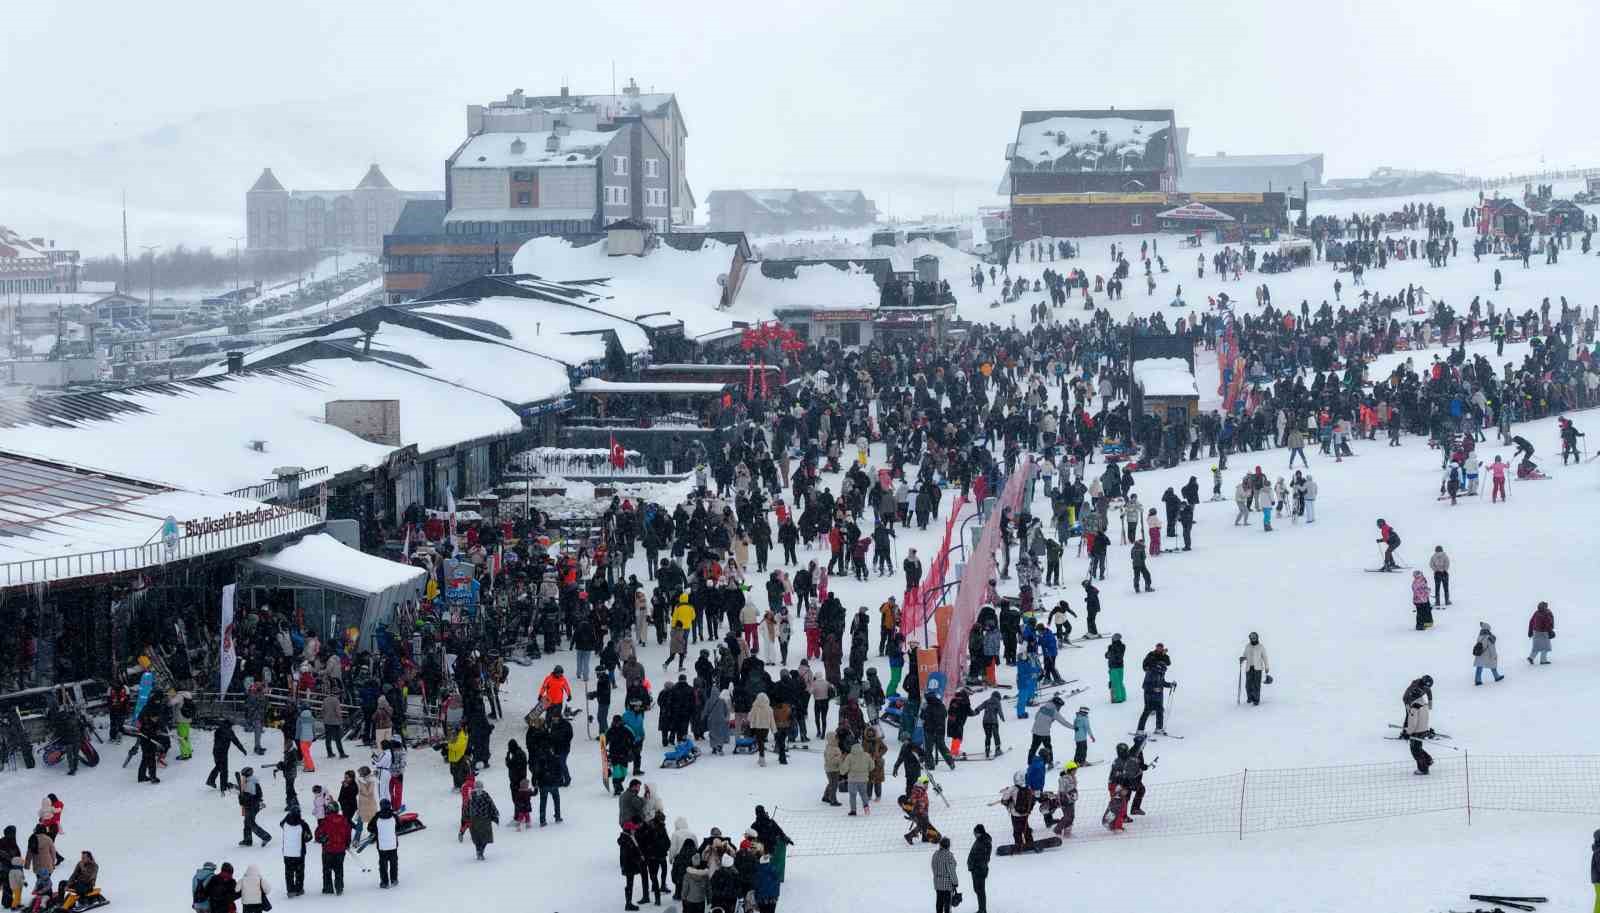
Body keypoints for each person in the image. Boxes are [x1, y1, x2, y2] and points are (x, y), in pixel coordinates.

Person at [313, 804, 350, 895]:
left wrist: (322, 839)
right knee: (339, 869)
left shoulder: (325, 821)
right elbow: (348, 833)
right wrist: (347, 844)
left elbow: (318, 834)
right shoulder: (344, 820)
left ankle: (328, 888)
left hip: (328, 850)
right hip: (340, 850)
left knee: (327, 870)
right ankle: (339, 887)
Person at [207, 720, 246, 794]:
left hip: (216, 751)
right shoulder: (229, 732)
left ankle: (211, 780)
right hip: (222, 753)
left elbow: (217, 741)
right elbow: (236, 742)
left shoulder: (219, 730)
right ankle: (223, 786)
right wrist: (243, 749)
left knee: (219, 767)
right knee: (224, 770)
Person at [278, 808, 311, 897]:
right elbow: (309, 837)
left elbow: (281, 823)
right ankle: (299, 889)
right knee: (299, 872)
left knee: (289, 873)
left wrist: (288, 816)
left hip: (287, 852)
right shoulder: (303, 824)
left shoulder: (284, 823)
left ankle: (290, 890)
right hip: (299, 852)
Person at [1027, 695, 1070, 763]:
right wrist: (1073, 727)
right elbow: (1063, 722)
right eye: (1060, 706)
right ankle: (1050, 762)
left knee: (1033, 748)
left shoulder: (1043, 707)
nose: (1060, 708)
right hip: (1045, 733)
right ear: (1057, 704)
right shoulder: (1054, 712)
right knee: (1048, 747)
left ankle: (1029, 763)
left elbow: (1036, 717)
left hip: (1035, 731)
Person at [236, 768, 272, 847]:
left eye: (243, 775)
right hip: (253, 805)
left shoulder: (250, 783)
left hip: (252, 806)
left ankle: (266, 837)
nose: (242, 777)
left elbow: (248, 796)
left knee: (250, 823)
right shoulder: (251, 781)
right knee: (247, 822)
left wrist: (242, 797)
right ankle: (247, 840)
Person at [466, 783, 499, 860]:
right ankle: (479, 851)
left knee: (485, 837)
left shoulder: (485, 795)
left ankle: (480, 851)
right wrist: (467, 816)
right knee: (478, 838)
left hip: (485, 819)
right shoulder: (471, 796)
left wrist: (494, 814)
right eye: (477, 787)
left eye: (480, 787)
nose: (479, 789)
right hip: (475, 820)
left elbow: (491, 805)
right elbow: (467, 807)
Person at [373, 798, 399, 888]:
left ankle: (384, 882)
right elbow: (399, 826)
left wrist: (377, 831)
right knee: (393, 863)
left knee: (383, 864)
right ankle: (394, 879)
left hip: (382, 845)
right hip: (392, 844)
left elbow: (370, 827)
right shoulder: (394, 816)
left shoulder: (377, 816)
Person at [1403, 699, 1433, 775]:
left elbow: (1413, 723)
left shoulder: (1414, 707)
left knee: (1415, 750)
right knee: (1418, 748)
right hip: (1423, 729)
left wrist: (1408, 732)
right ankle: (1428, 760)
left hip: (1416, 732)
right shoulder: (1424, 704)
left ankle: (1423, 769)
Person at [966, 824, 991, 913]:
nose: (974, 834)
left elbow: (983, 858)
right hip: (976, 869)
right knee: (977, 890)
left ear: (980, 833)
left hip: (979, 870)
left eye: (975, 833)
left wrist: (975, 866)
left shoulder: (984, 842)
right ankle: (981, 908)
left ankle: (982, 910)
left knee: (980, 891)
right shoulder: (980, 840)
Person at [931, 836, 959, 913]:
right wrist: (955, 882)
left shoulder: (935, 854)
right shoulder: (949, 855)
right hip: (947, 885)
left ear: (940, 845)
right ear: (948, 846)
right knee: (947, 904)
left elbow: (933, 866)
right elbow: (951, 871)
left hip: (937, 883)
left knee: (939, 902)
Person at [1240, 633, 1269, 705]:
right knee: (1248, 685)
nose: (1253, 639)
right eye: (1251, 637)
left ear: (1257, 638)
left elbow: (1265, 657)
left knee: (1256, 685)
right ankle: (1250, 697)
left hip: (1258, 668)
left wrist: (1267, 667)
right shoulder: (1247, 646)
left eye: (1254, 637)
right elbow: (1245, 655)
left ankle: (1256, 699)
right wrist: (1242, 658)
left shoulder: (1261, 647)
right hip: (1249, 668)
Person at [1105, 633, 1126, 703]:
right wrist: (1109, 655)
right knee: (1119, 682)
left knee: (1115, 683)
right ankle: (1122, 696)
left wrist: (1110, 655)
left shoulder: (1115, 646)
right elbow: (1107, 655)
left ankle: (1117, 698)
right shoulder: (1119, 646)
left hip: (1114, 667)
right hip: (1119, 666)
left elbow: (1115, 656)